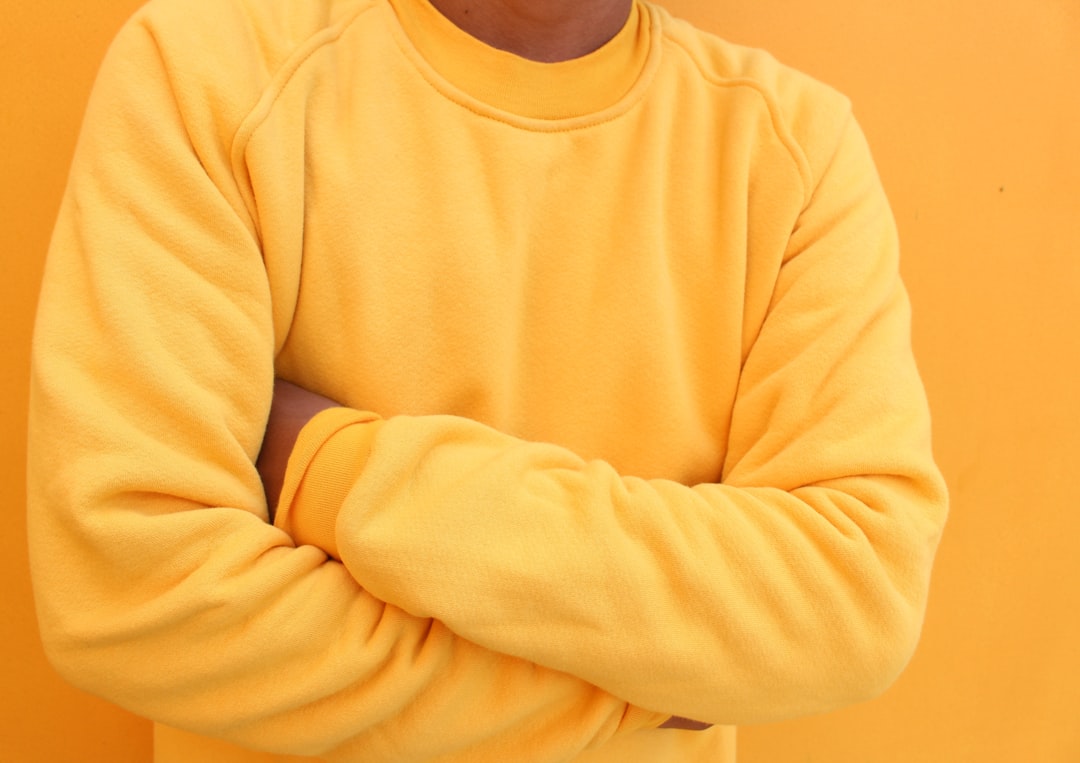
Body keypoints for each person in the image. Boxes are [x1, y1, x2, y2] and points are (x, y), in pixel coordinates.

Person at [26, 0, 948, 760]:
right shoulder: (207, 73)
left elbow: (855, 597)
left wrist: (335, 464)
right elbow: (131, 596)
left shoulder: (794, 147)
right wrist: (640, 684)